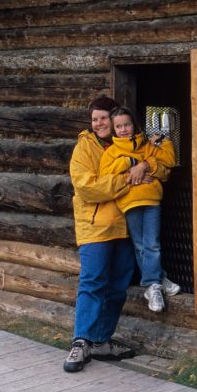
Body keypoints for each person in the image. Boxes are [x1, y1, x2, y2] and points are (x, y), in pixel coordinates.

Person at [63, 96, 166, 373]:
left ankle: (101, 341)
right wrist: (128, 178)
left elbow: (161, 165)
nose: (99, 124)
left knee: (118, 286)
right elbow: (88, 188)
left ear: (115, 118)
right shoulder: (84, 148)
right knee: (92, 282)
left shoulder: (133, 143)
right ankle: (81, 341)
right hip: (95, 226)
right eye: (94, 119)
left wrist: (145, 166)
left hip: (125, 226)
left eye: (103, 118)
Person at [99, 106, 180, 312]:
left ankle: (154, 283)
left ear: (133, 125)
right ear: (114, 129)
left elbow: (169, 162)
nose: (124, 129)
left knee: (152, 243)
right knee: (141, 245)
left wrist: (146, 163)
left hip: (152, 200)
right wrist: (130, 166)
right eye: (119, 126)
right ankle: (156, 282)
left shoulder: (146, 146)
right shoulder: (112, 152)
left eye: (127, 124)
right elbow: (106, 176)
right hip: (130, 203)